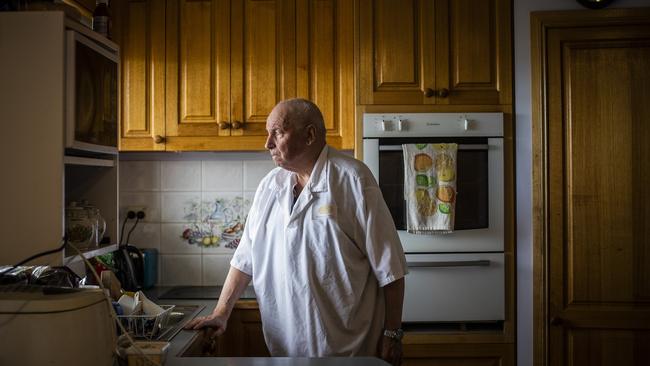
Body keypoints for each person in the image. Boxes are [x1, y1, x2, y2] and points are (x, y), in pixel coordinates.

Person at [185, 98, 408, 365]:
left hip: (348, 350)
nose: (267, 143)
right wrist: (221, 312)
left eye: (277, 132)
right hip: (284, 349)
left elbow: (390, 269)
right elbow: (245, 260)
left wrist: (392, 334)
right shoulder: (269, 187)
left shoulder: (353, 180)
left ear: (310, 134)